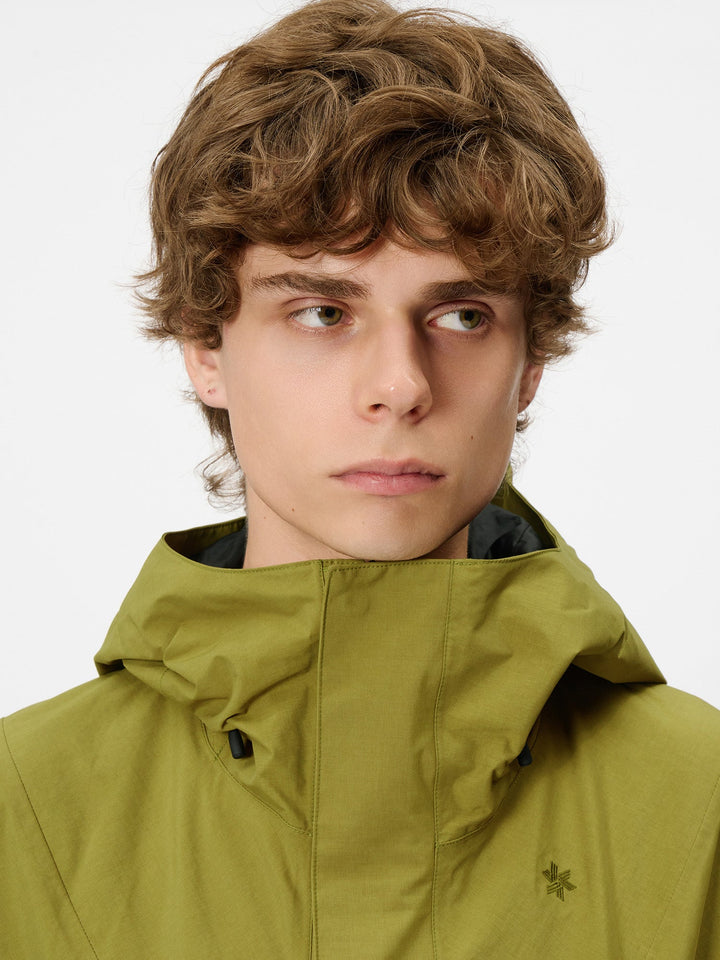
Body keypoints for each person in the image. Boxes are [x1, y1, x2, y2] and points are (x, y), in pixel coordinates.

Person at [2, 0, 718, 957]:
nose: (401, 385)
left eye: (462, 316)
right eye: (321, 312)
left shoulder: (702, 805)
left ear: (531, 362)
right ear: (205, 347)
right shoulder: (24, 809)